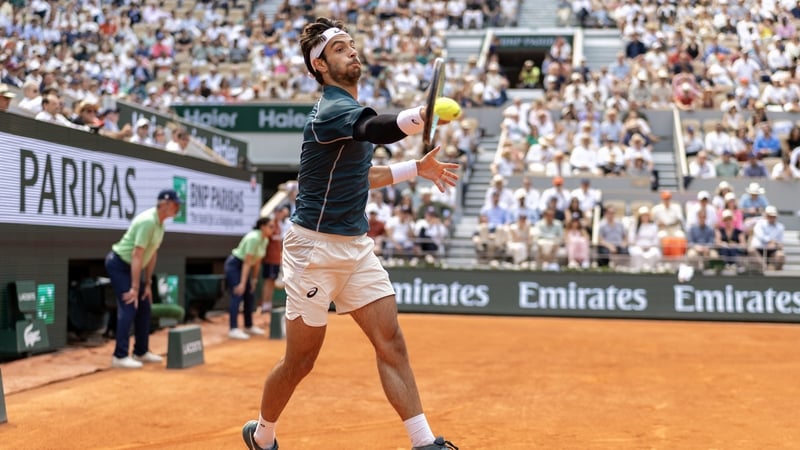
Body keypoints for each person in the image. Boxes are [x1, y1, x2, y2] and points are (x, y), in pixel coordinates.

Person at [241, 18, 459, 450]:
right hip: (312, 251)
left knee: (390, 341)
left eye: (353, 45)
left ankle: (423, 442)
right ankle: (262, 435)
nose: (353, 51)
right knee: (301, 360)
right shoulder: (331, 111)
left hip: (356, 249)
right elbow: (377, 129)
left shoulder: (352, 111)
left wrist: (417, 168)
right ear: (319, 65)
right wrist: (420, 116)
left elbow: (363, 174)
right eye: (341, 48)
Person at [104, 189, 181, 369]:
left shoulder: (161, 224)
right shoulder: (148, 222)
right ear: (165, 204)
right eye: (176, 204)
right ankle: (120, 355)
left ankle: (141, 351)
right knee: (129, 305)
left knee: (145, 306)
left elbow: (151, 254)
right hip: (120, 265)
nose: (178, 208)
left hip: (132, 267)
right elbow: (137, 254)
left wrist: (147, 284)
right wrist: (134, 288)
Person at [226, 216, 274, 339]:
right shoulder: (253, 238)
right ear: (262, 227)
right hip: (235, 265)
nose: (273, 229)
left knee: (249, 295)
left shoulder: (265, 240)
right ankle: (233, 329)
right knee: (238, 293)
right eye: (270, 226)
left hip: (244, 267)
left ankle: (248, 326)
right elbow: (247, 262)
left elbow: (257, 262)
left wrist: (254, 280)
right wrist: (242, 283)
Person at [261, 206, 288, 313]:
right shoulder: (270, 225)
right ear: (275, 212)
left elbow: (279, 244)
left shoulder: (279, 226)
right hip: (269, 259)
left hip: (276, 259)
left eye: (281, 212)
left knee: (272, 283)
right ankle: (264, 306)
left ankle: (268, 305)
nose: (281, 214)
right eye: (279, 212)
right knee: (268, 282)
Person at [748, 206, 785, 271]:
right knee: (751, 250)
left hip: (772, 250)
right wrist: (770, 241)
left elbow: (780, 242)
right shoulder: (759, 223)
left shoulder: (780, 227)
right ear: (766, 215)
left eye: (773, 216)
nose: (772, 218)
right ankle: (764, 268)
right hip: (759, 249)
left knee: (780, 255)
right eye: (770, 216)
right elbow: (760, 236)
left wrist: (776, 244)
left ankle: (775, 274)